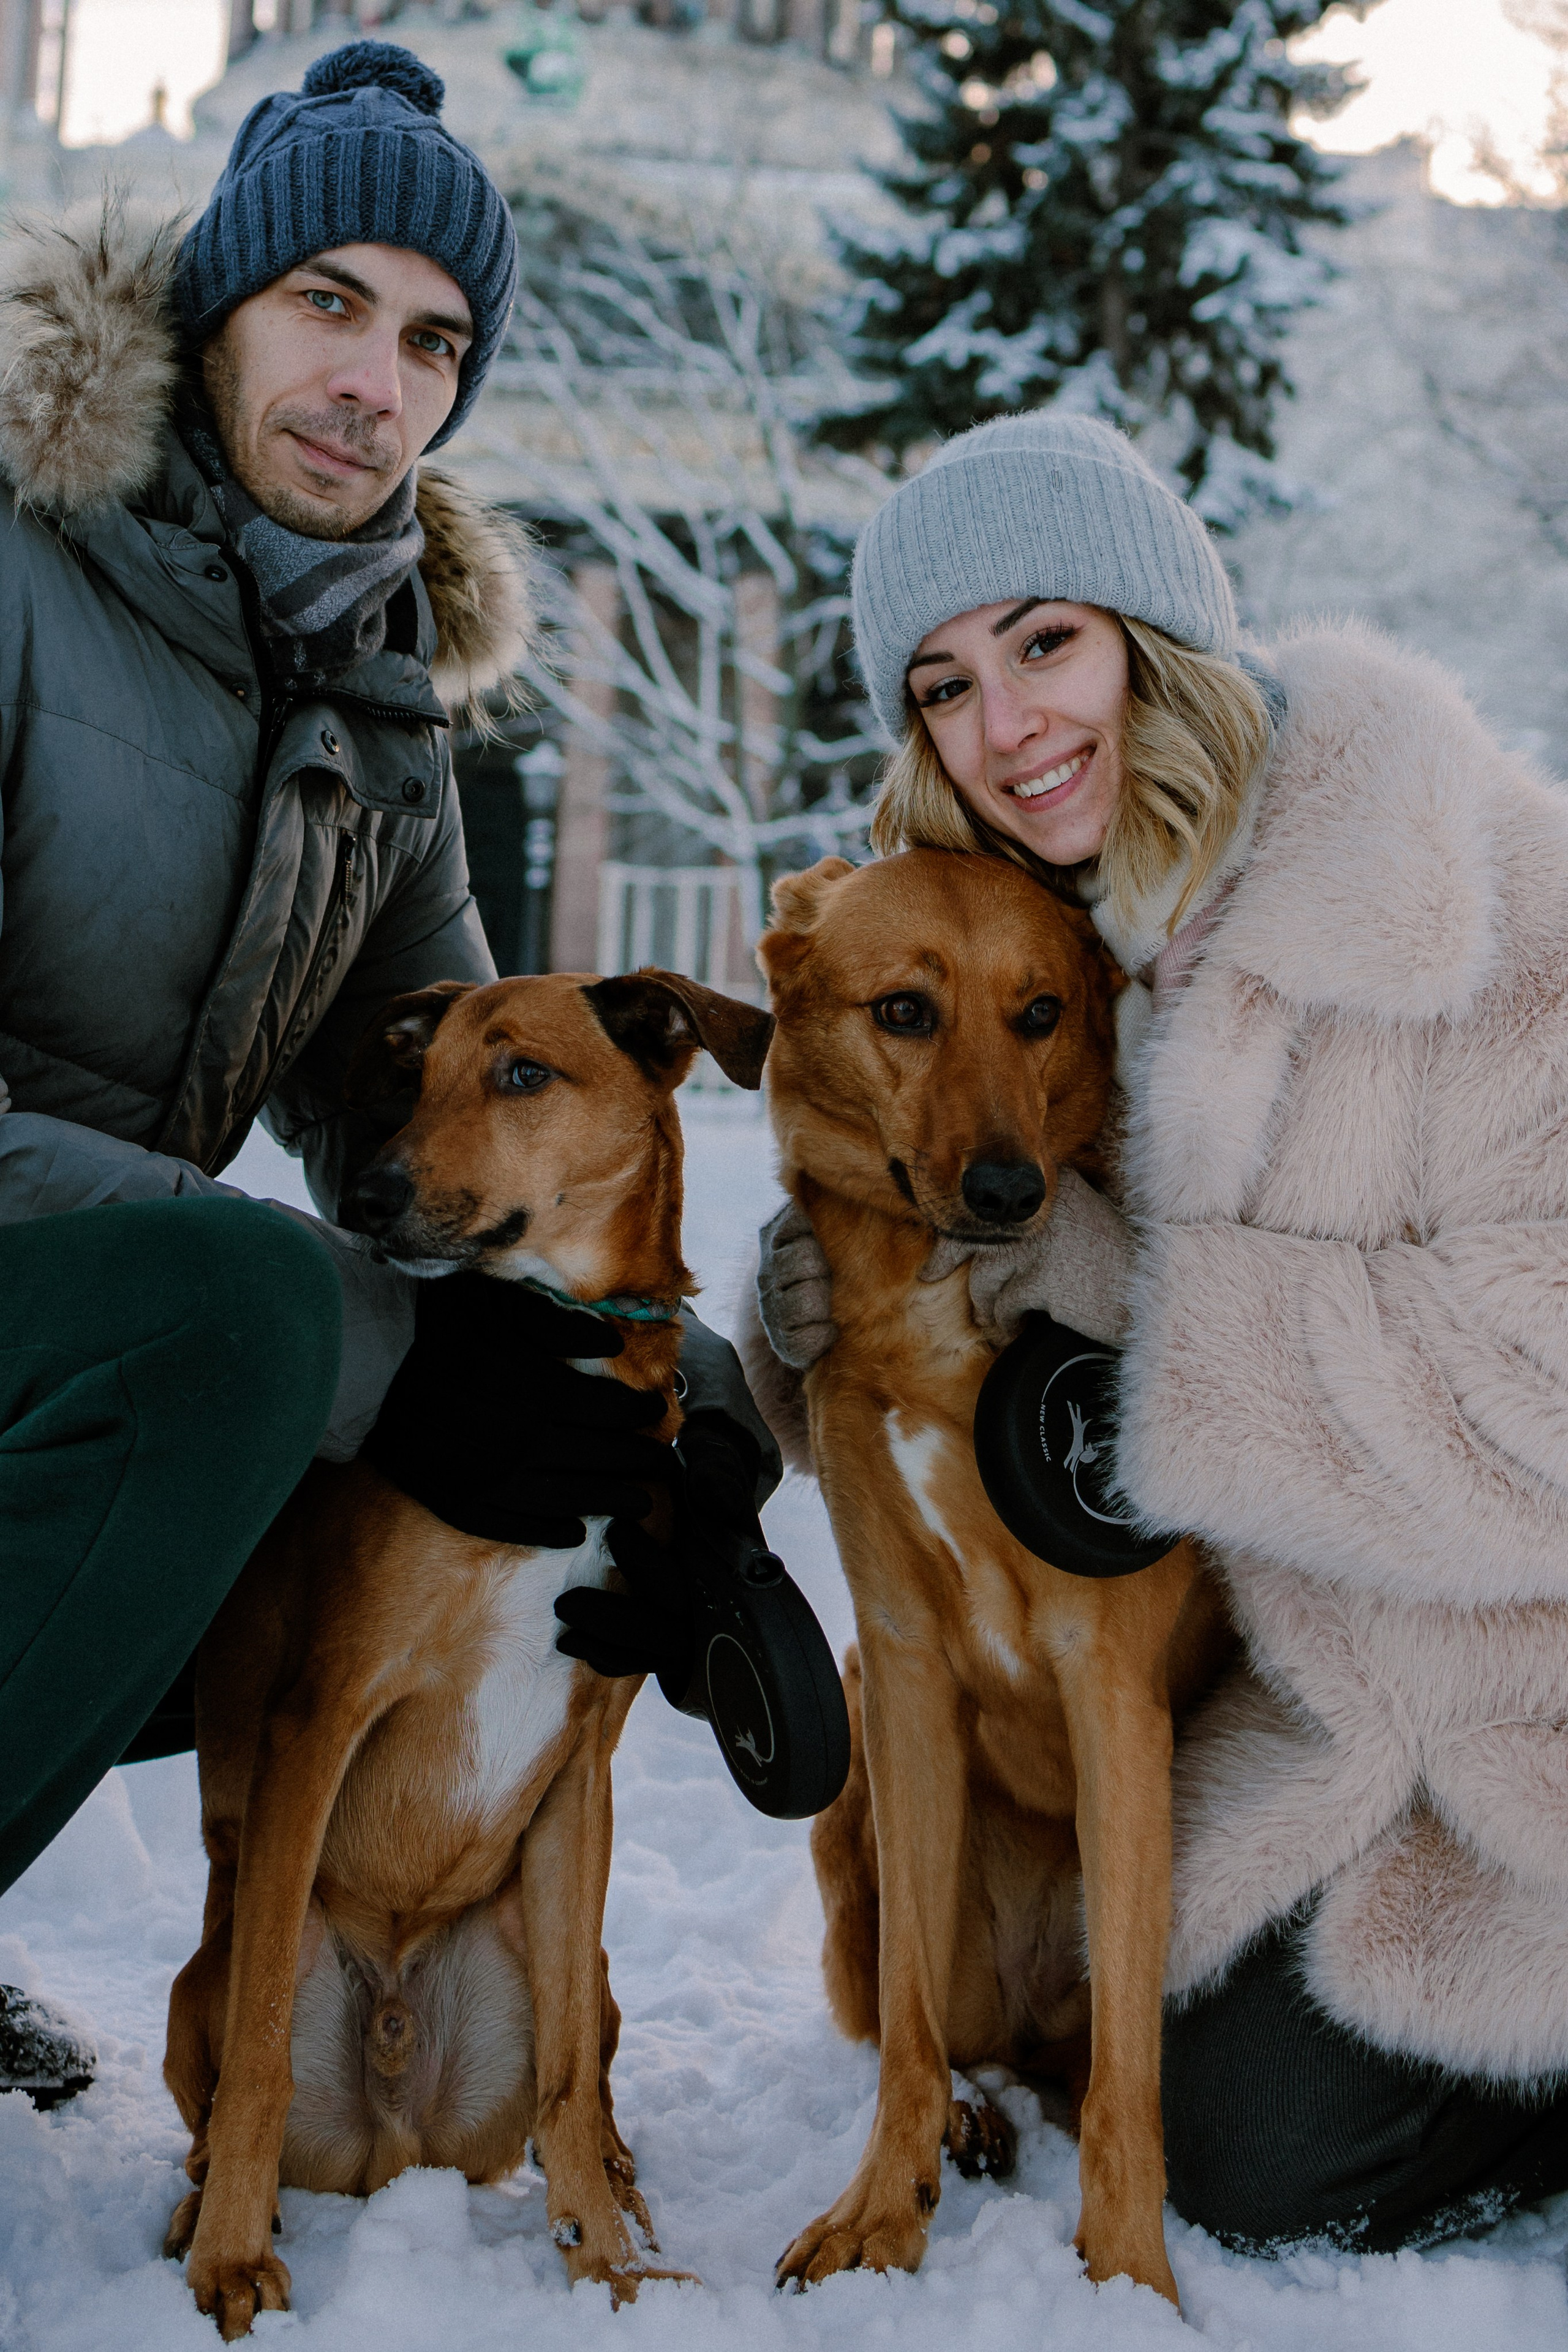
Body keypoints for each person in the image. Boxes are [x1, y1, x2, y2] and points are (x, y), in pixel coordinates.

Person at [0, 40, 775, 2103]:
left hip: (71, 1339)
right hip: (78, 1316)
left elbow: (444, 1110)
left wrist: (677, 1414)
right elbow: (294, 1297)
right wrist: (370, 1344)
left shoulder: (381, 705)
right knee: (265, 1326)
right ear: (210, 305)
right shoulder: (14, 560)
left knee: (469, 1377)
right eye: (325, 303)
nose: (376, 381)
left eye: (433, 341)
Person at [755, 409, 1568, 2255]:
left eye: (1049, 641)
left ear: (1154, 637)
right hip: (1274, 1721)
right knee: (1110, 2064)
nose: (1009, 723)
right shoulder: (1071, 957)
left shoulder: (1493, 908)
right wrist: (822, 1301)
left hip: (1511, 1711)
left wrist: (1164, 1310)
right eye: (947, 684)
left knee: (1263, 2153)